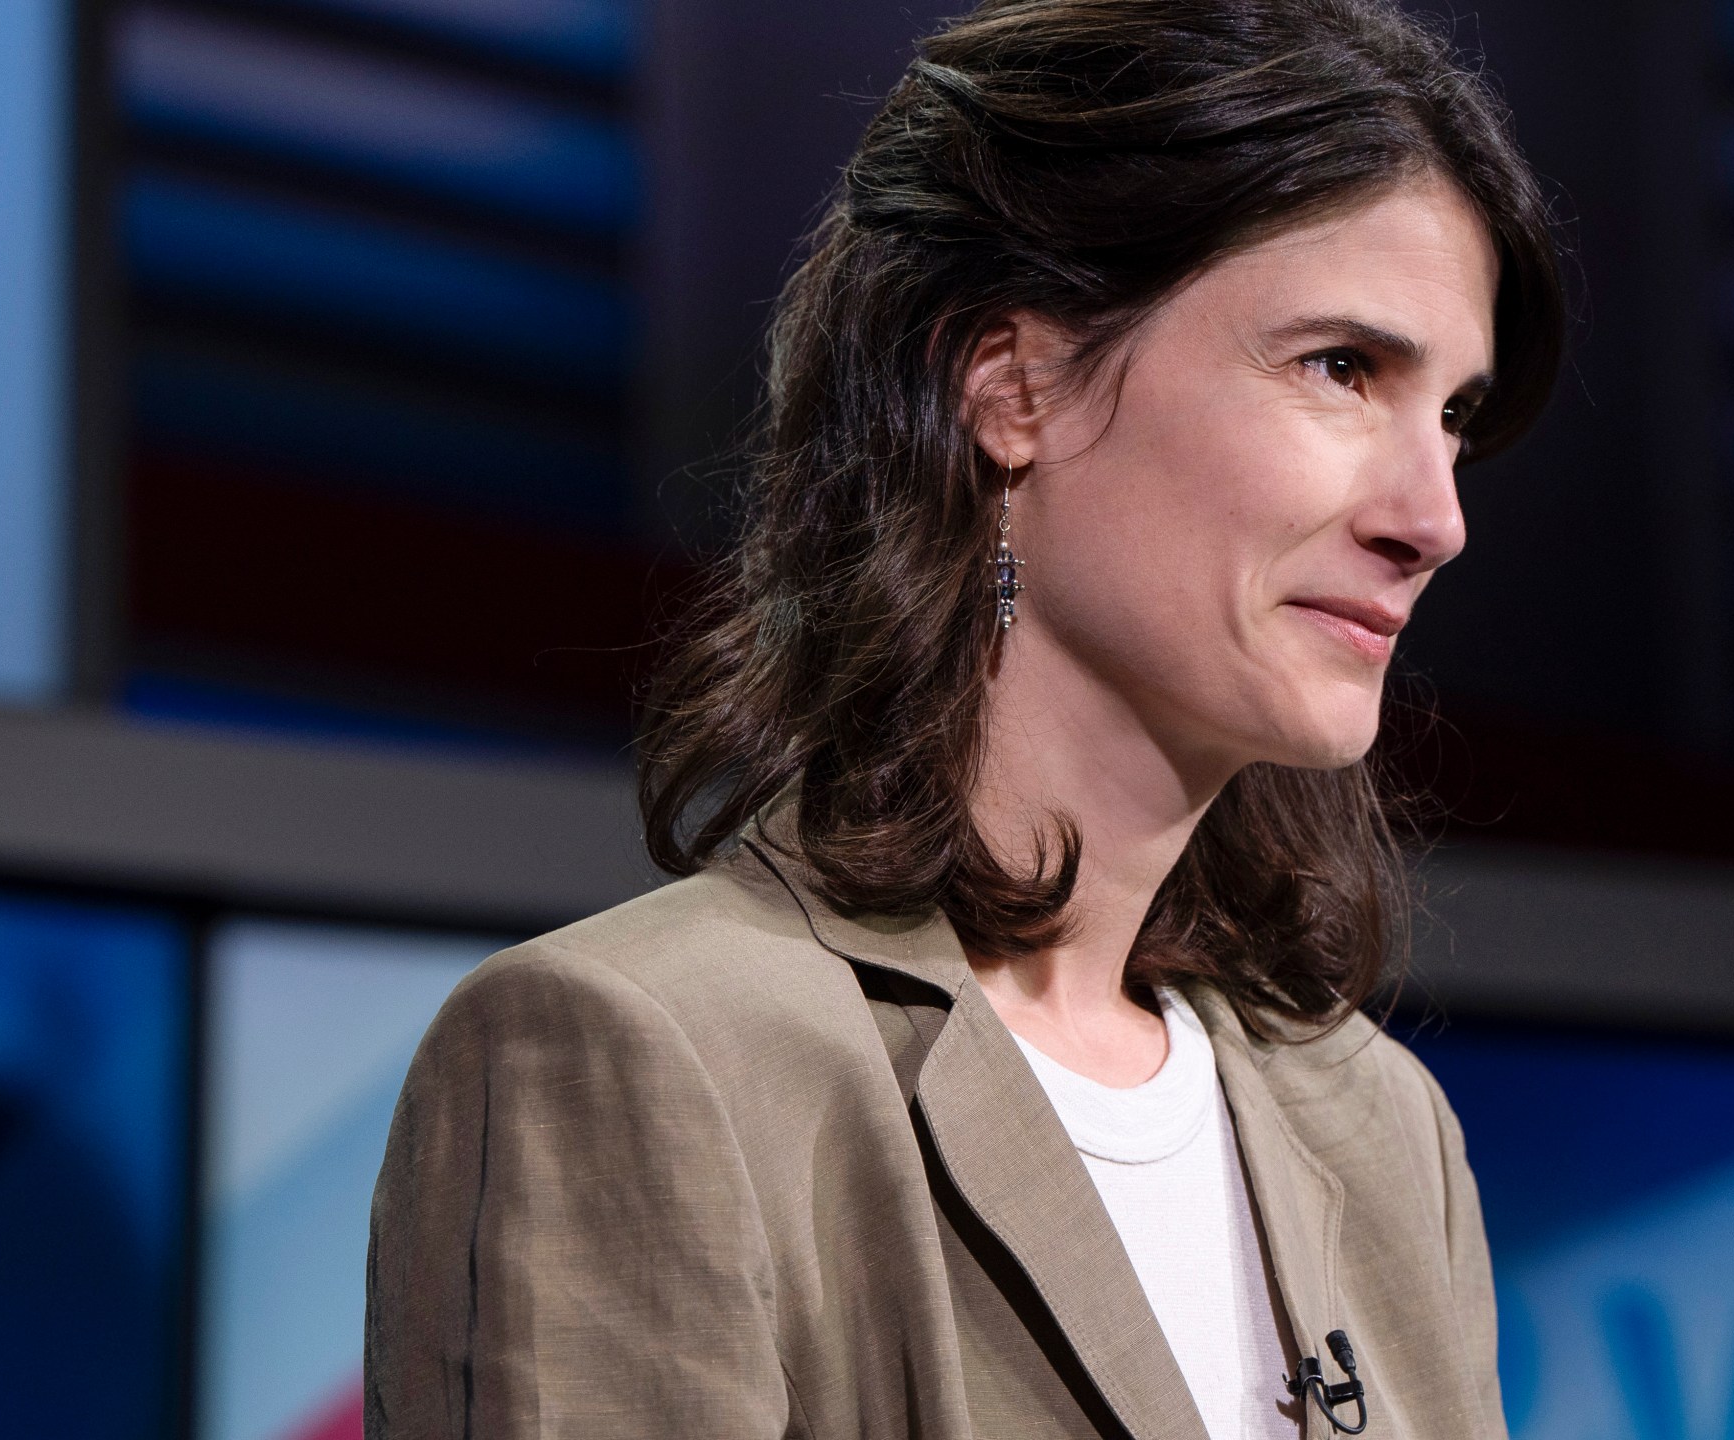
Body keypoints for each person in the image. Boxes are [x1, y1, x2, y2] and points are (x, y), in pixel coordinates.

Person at [367, 0, 1562, 1434]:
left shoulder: (1387, 1143)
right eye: (1343, 370)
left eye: (1454, 418)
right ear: (1014, 385)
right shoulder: (638, 1057)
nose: (1434, 520)